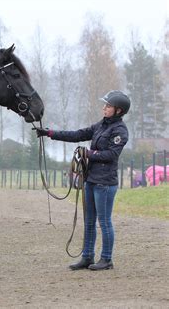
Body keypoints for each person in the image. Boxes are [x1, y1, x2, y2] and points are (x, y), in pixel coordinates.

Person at [36, 90, 130, 271]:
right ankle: (87, 257)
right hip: (91, 179)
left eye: (108, 106)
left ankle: (106, 259)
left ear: (118, 111)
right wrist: (49, 133)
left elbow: (111, 155)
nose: (104, 108)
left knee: (104, 221)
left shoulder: (119, 131)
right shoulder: (102, 125)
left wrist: (88, 153)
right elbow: (78, 134)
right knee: (89, 221)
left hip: (105, 183)